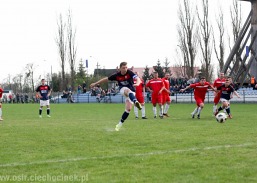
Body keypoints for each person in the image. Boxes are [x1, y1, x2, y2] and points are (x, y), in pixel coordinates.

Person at [90, 62, 142, 131]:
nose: (125, 69)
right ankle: (135, 101)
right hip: (123, 90)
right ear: (120, 68)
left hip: (132, 93)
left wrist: (138, 83)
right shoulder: (117, 75)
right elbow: (106, 79)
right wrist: (96, 83)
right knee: (127, 90)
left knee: (128, 109)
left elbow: (137, 78)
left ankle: (119, 125)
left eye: (126, 67)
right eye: (123, 68)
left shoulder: (129, 73)